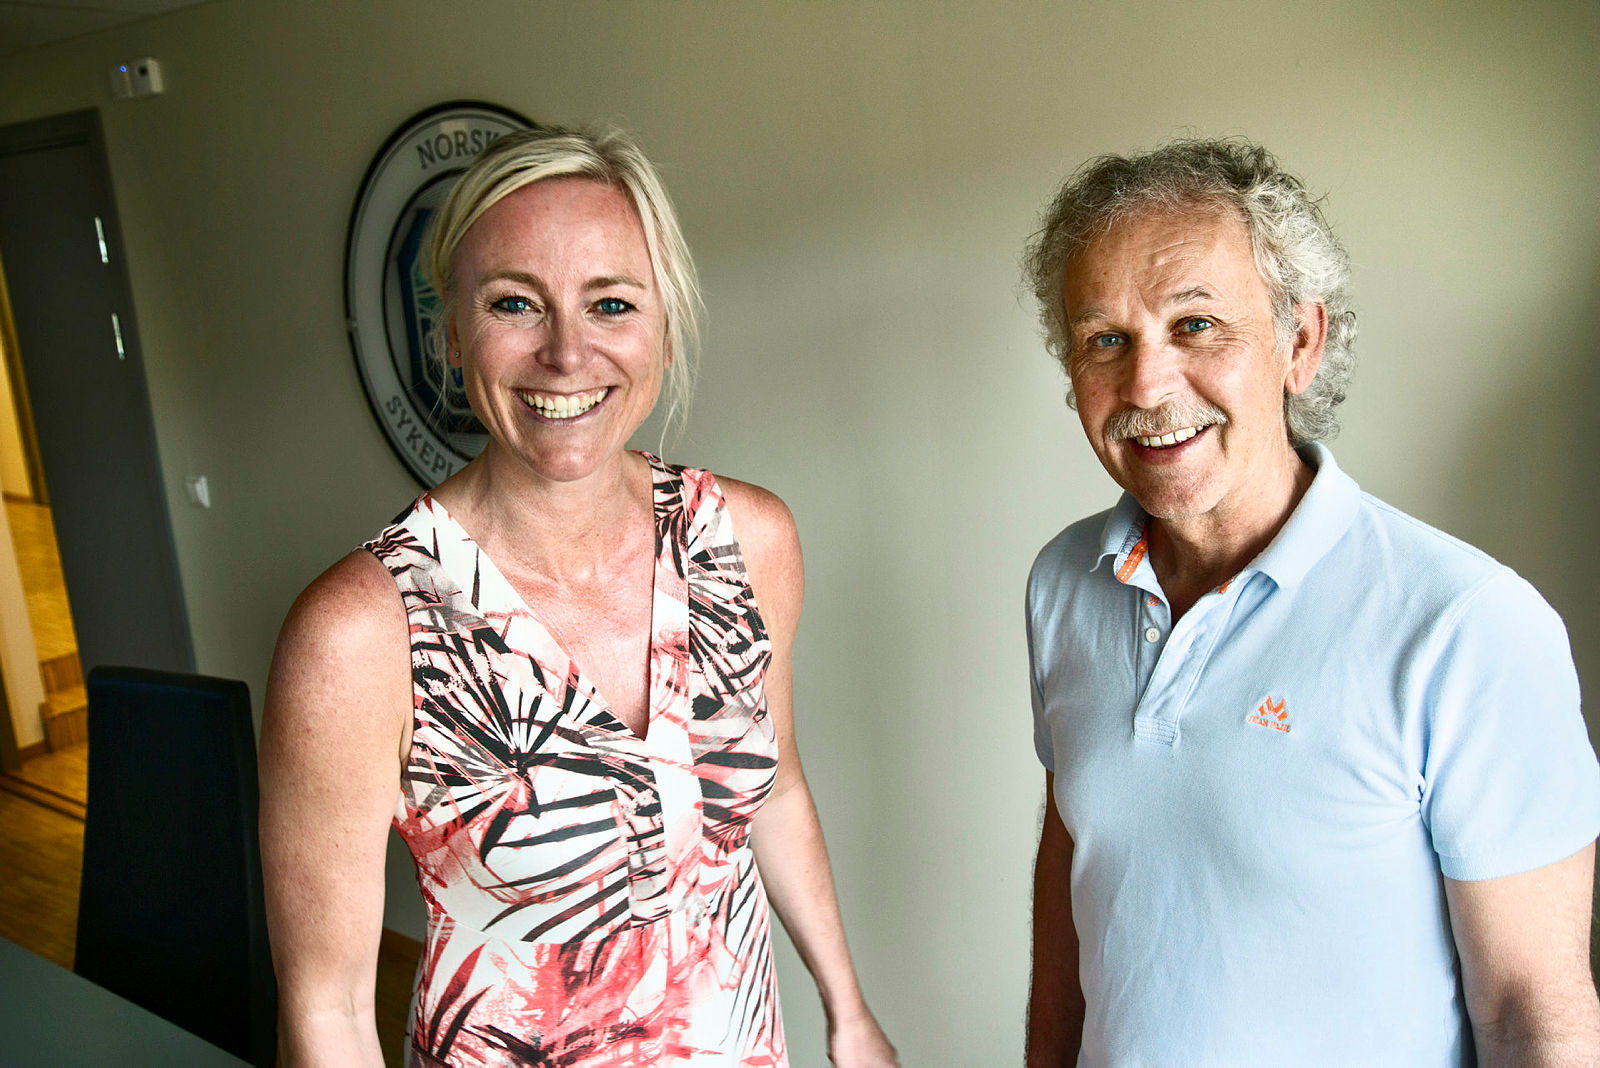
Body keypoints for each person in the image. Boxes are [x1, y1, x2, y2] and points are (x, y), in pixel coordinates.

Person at [260, 125, 897, 1067]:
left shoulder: (748, 541)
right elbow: (330, 1011)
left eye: (611, 303)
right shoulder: (361, 633)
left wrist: (848, 1012)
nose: (567, 353)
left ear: (664, 334)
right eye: (515, 303)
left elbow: (778, 790)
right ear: (452, 335)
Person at [1020, 139, 1600, 1065]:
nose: (1147, 385)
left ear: (1301, 342)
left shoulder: (1469, 624)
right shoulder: (1063, 581)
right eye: (1106, 341)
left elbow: (1532, 1011)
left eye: (1196, 325)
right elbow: (1074, 874)